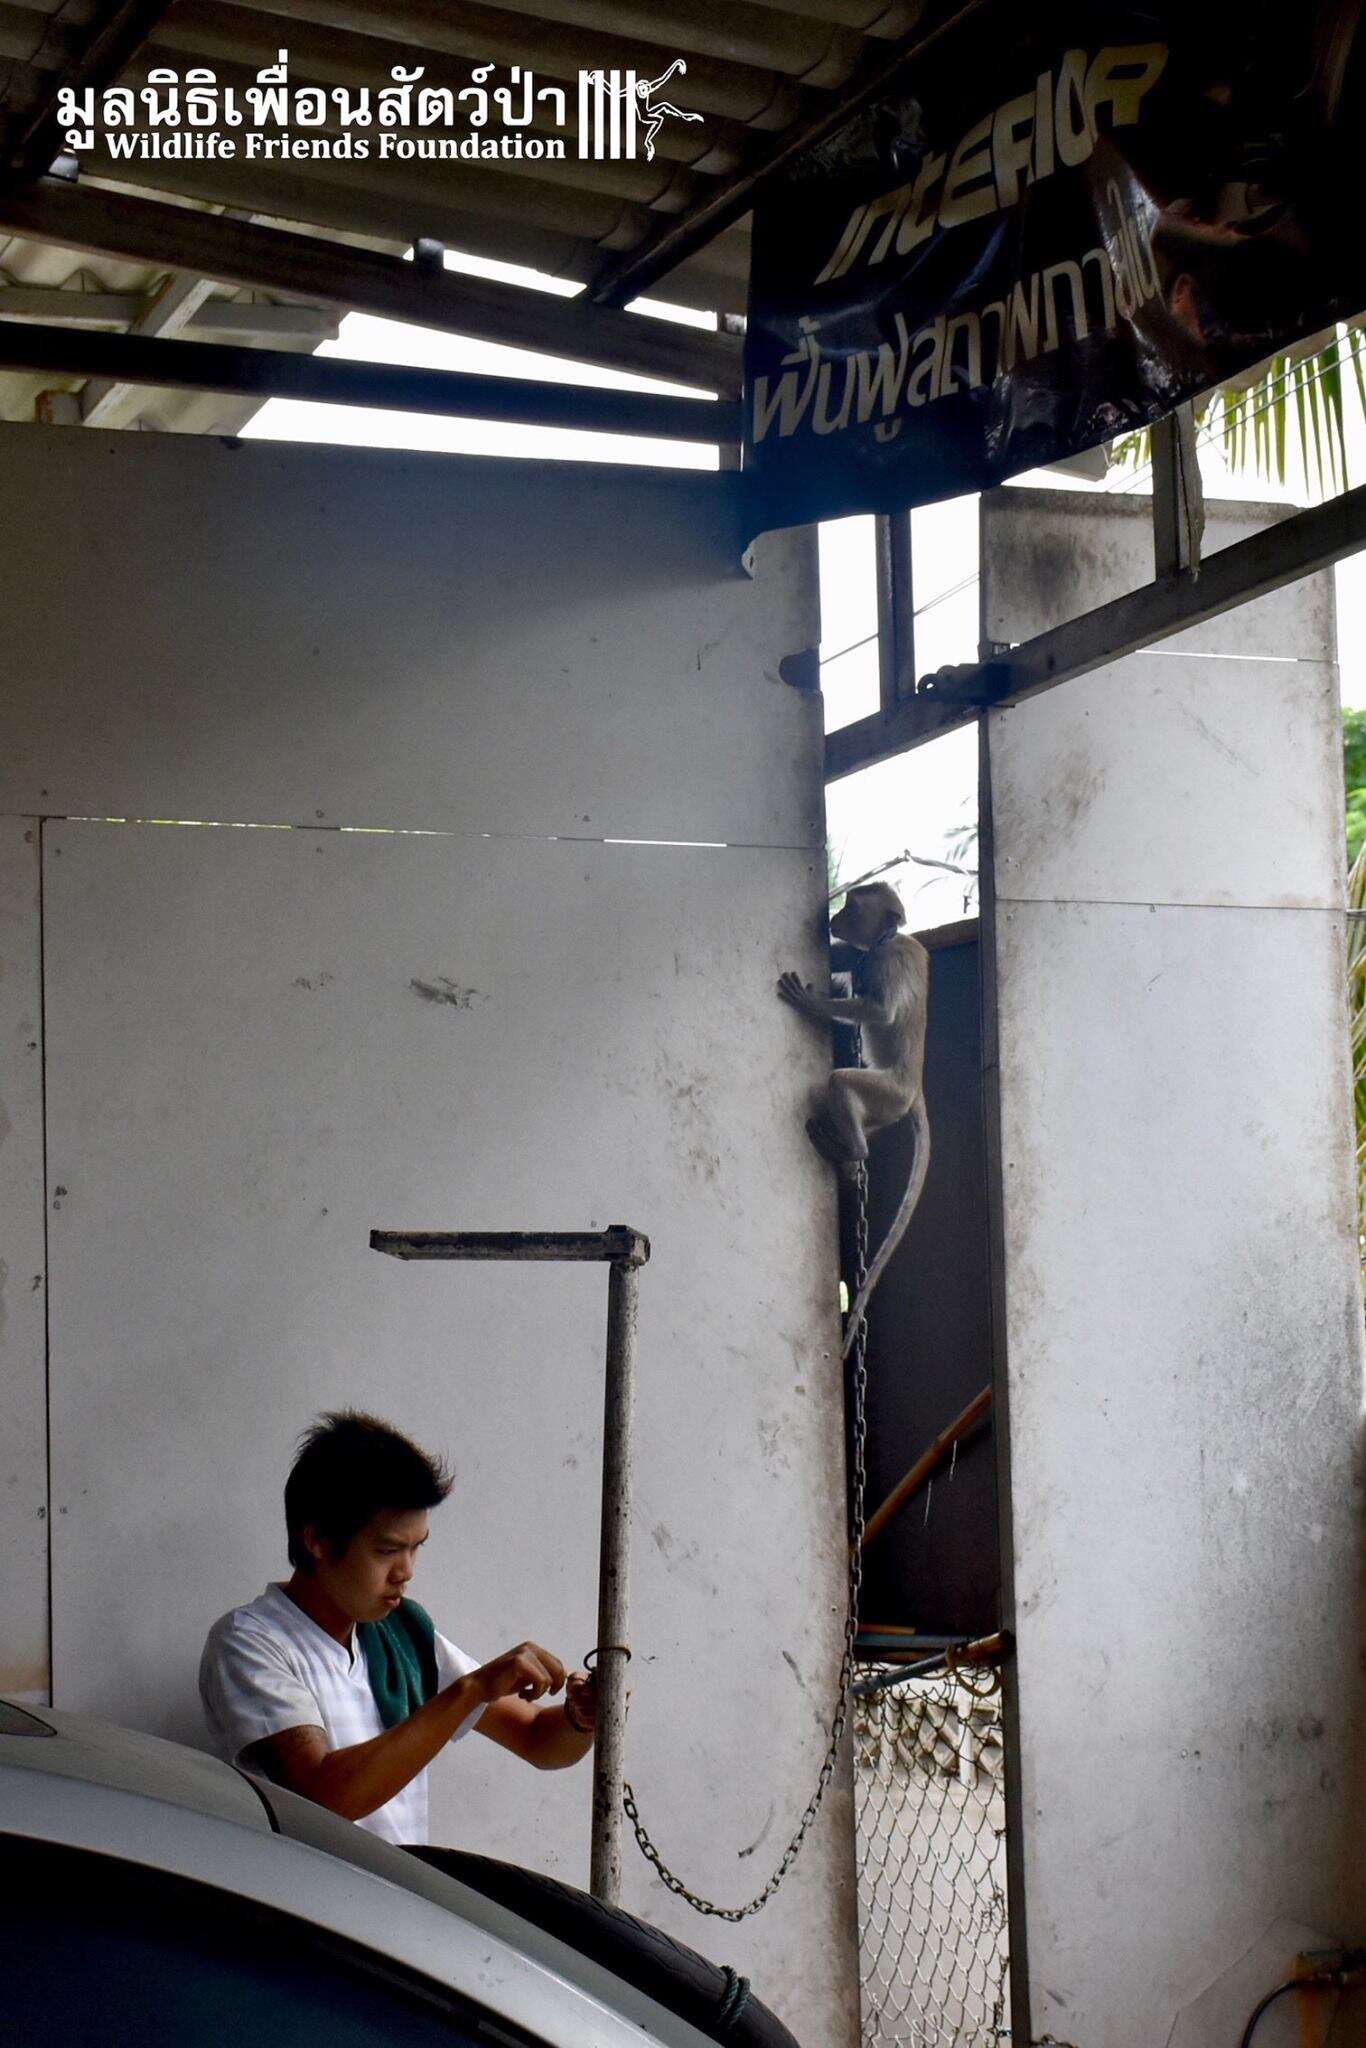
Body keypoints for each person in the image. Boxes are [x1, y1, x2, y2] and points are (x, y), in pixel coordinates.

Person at [199, 1410, 596, 1846]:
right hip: (302, 1910)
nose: (405, 1572)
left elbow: (537, 1739)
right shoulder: (251, 1642)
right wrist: (470, 1690)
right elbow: (323, 1795)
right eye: (387, 1550)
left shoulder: (401, 1633)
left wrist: (582, 1717)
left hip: (393, 1905)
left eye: (416, 1548)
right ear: (318, 1540)